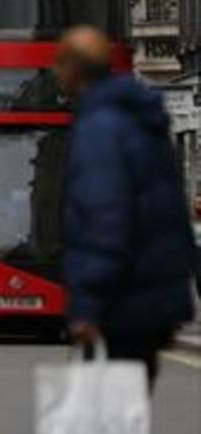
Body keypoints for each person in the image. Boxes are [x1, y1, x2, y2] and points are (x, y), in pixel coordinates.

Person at [54, 26, 195, 387]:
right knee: (127, 414)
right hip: (154, 298)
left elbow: (106, 221)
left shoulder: (101, 127)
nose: (56, 74)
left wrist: (88, 305)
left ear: (74, 69)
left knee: (111, 421)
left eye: (59, 64)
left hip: (122, 302)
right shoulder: (139, 119)